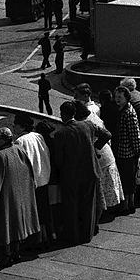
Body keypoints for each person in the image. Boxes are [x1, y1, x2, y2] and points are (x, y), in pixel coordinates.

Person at [50, 101, 104, 244]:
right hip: (90, 171)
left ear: (63, 114)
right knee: (88, 205)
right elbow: (106, 134)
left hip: (71, 176)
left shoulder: (61, 133)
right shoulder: (87, 125)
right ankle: (87, 234)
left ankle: (72, 236)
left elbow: (59, 159)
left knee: (71, 207)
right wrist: (94, 149)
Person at [0, 128, 41, 266]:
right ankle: (16, 252)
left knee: (6, 226)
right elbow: (29, 170)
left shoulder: (0, 155)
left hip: (6, 197)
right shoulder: (18, 149)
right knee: (17, 224)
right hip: (20, 193)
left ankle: (7, 254)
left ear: (3, 139)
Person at [12, 113, 54, 246]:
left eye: (15, 125)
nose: (14, 127)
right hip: (44, 177)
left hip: (32, 181)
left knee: (34, 212)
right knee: (44, 210)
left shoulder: (20, 141)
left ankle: (37, 240)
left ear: (22, 126)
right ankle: (49, 236)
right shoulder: (38, 136)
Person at [78, 101, 123, 216]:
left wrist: (94, 147)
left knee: (102, 189)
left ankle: (104, 213)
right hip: (106, 154)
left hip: (101, 156)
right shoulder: (93, 116)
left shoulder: (86, 122)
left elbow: (107, 134)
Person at [111, 87, 140, 215]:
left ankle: (129, 205)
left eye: (120, 97)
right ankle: (127, 204)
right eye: (116, 97)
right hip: (122, 151)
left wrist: (137, 151)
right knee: (126, 180)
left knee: (128, 181)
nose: (117, 100)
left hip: (127, 153)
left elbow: (135, 134)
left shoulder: (128, 113)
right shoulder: (122, 110)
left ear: (126, 98)